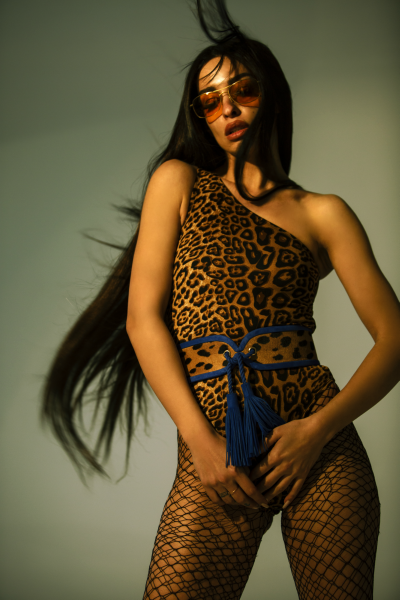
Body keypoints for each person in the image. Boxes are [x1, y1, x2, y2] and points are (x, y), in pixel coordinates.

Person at [42, 1, 400, 598]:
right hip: (217, 447)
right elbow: (142, 320)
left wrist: (317, 431)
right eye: (209, 101)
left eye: (242, 90)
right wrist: (200, 443)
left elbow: (395, 339)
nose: (227, 108)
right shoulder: (178, 183)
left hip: (319, 445)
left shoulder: (324, 213)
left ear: (273, 96)